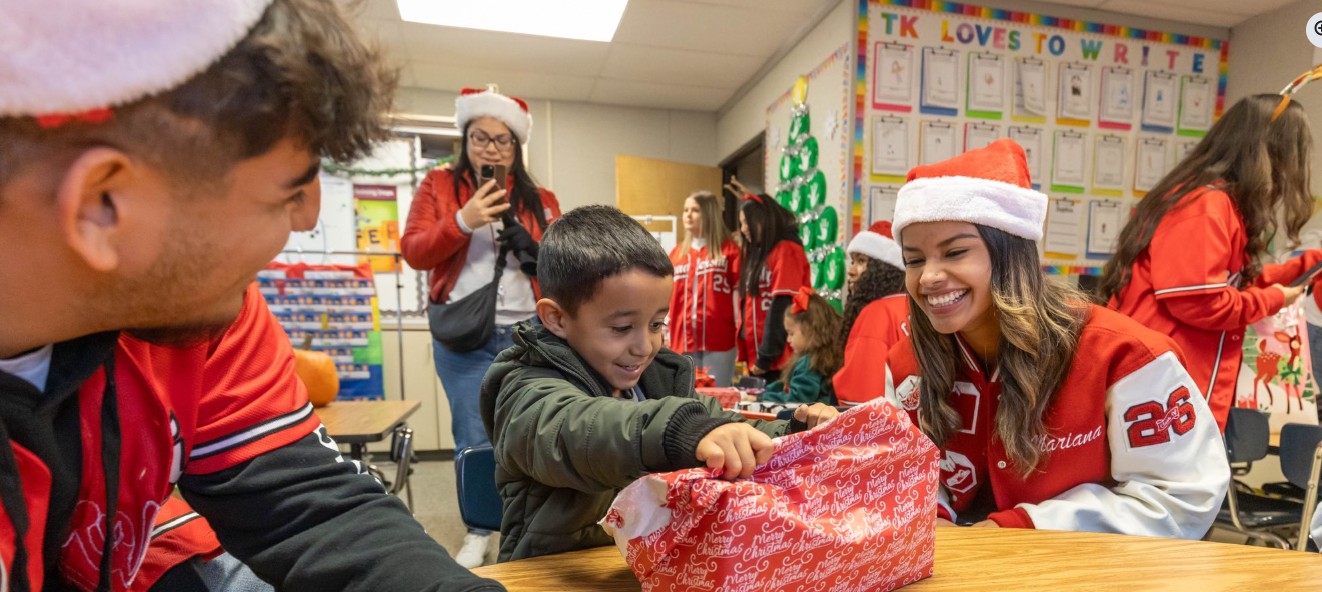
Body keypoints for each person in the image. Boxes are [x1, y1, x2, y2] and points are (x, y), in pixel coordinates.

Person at [0, 1, 501, 590]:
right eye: (287, 194)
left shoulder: (195, 312)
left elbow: (312, 503)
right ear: (102, 206)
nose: (310, 217)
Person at [884, 139, 1227, 538]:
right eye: (914, 260)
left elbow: (1183, 496)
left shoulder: (1122, 356)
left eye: (956, 252)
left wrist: (1028, 527)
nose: (928, 277)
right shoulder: (908, 364)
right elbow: (910, 477)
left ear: (1009, 252)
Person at [479, 205, 838, 562]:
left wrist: (795, 433)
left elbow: (726, 426)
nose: (645, 346)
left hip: (650, 567)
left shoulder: (660, 380)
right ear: (557, 318)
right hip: (551, 575)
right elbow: (578, 430)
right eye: (622, 328)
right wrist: (680, 430)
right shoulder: (525, 387)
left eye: (656, 324)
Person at [400, 85, 561, 567]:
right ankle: (478, 529)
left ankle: (529, 521)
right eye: (480, 137)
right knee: (475, 434)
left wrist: (532, 247)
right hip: (463, 336)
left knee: (533, 429)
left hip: (531, 332)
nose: (491, 148)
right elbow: (414, 250)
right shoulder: (438, 186)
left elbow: (565, 262)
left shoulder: (542, 198)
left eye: (502, 140)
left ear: (516, 147)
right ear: (465, 141)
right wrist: (462, 222)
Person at [1101, 94, 1322, 432]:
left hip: (1172, 385)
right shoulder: (1205, 205)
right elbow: (1200, 301)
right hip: (1158, 388)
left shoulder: (1220, 202)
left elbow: (1232, 282)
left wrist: (1309, 264)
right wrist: (1275, 299)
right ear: (1270, 155)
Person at [834, 220, 910, 406]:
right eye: (853, 261)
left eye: (861, 261)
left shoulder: (877, 313)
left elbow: (860, 395)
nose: (851, 271)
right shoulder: (913, 307)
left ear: (884, 269)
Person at [669, 190, 741, 386]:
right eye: (685, 210)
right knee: (685, 398)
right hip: (681, 341)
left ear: (709, 213)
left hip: (719, 341)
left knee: (718, 399)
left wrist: (740, 336)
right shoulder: (676, 254)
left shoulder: (729, 250)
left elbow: (738, 298)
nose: (688, 215)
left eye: (695, 210)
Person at [737, 195, 811, 381]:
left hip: (782, 359)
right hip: (760, 358)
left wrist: (766, 356)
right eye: (741, 224)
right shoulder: (758, 254)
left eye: (747, 223)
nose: (744, 229)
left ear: (763, 219)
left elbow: (783, 304)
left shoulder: (786, 250)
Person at [758, 288, 841, 405]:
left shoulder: (809, 363)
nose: (788, 339)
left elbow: (797, 399)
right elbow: (785, 385)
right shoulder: (822, 357)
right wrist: (764, 391)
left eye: (791, 333)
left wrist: (762, 397)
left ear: (809, 330)